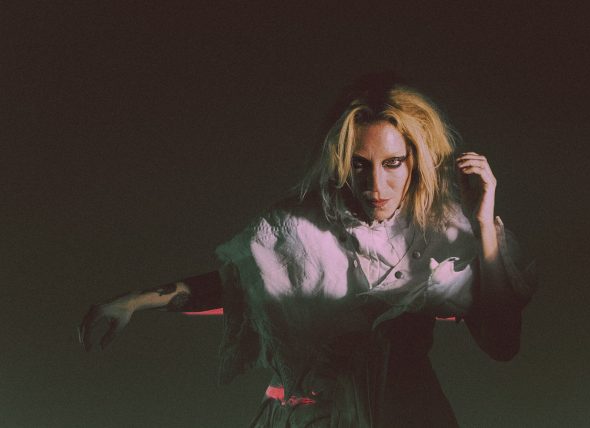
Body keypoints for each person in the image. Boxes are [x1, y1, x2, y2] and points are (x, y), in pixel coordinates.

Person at [79, 73, 536, 427]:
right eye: (360, 165)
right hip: (309, 416)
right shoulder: (300, 226)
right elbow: (239, 287)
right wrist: (134, 302)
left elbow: (502, 343)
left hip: (407, 415)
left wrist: (483, 226)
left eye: (393, 163)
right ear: (341, 162)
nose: (376, 185)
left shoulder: (441, 230)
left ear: (415, 160)